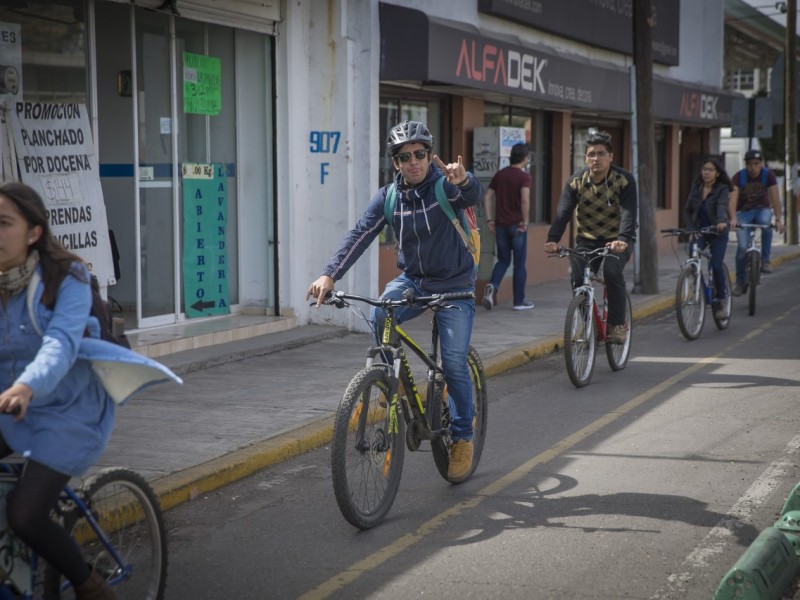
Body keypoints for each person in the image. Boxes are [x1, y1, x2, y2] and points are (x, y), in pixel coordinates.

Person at [0, 182, 180, 599]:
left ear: (34, 233)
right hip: (13, 406)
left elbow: (60, 343)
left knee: (25, 514)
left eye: (4, 223)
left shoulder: (68, 277)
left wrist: (27, 385)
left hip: (69, 413)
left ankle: (89, 582)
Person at [306, 120, 484, 482]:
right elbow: (360, 234)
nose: (414, 162)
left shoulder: (445, 188)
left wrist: (463, 180)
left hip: (455, 285)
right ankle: (389, 380)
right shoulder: (388, 197)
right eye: (405, 157)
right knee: (380, 314)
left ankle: (463, 436)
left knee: (451, 361)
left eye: (420, 154)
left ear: (429, 156)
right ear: (396, 162)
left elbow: (471, 196)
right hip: (413, 281)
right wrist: (330, 274)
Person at [543, 130, 637, 344]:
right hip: (587, 240)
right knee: (578, 278)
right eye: (591, 154)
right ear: (585, 157)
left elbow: (629, 213)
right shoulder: (576, 182)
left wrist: (622, 238)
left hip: (618, 240)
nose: (596, 158)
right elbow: (563, 212)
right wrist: (553, 239)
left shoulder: (624, 181)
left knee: (612, 272)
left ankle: (616, 325)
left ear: (611, 157)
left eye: (601, 154)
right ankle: (585, 323)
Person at [481, 142, 534, 311]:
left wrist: (490, 219)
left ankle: (493, 285)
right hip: (517, 227)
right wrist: (525, 222)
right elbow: (525, 200)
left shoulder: (500, 175)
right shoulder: (524, 177)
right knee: (519, 264)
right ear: (525, 158)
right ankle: (519, 301)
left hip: (500, 226)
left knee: (503, 260)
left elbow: (487, 197)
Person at [728, 149, 785, 294]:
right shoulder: (738, 177)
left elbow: (775, 198)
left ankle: (765, 260)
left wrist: (778, 219)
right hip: (744, 213)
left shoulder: (768, 175)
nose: (753, 167)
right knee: (741, 248)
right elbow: (732, 200)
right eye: (749, 164)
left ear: (761, 164)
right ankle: (740, 282)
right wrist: (733, 218)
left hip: (762, 210)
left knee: (766, 224)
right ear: (745, 164)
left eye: (756, 164)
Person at [683, 156, 732, 321]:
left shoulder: (722, 188)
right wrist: (691, 229)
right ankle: (697, 284)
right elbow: (688, 210)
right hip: (701, 231)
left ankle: (720, 300)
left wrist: (720, 221)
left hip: (718, 232)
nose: (707, 173)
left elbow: (721, 206)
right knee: (692, 252)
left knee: (717, 265)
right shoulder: (696, 187)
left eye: (711, 170)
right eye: (705, 169)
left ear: (717, 173)